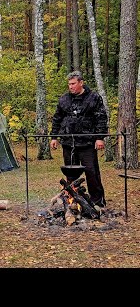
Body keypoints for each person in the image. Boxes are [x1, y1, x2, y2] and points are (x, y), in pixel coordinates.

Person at [50, 71, 108, 207]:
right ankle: (72, 200)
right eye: (69, 84)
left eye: (73, 84)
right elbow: (57, 118)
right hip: (69, 143)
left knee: (92, 172)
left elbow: (101, 118)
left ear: (81, 83)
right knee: (70, 174)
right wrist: (54, 137)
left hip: (87, 143)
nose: (70, 87)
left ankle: (97, 201)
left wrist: (100, 138)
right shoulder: (64, 99)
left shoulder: (93, 98)